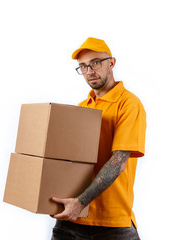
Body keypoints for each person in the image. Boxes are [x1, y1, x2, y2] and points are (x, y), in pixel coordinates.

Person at [51, 37, 147, 240]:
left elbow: (118, 162)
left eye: (95, 63)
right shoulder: (82, 107)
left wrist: (80, 202)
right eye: (83, 66)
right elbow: (67, 163)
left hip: (112, 223)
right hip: (71, 221)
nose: (89, 71)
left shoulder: (129, 104)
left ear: (111, 63)